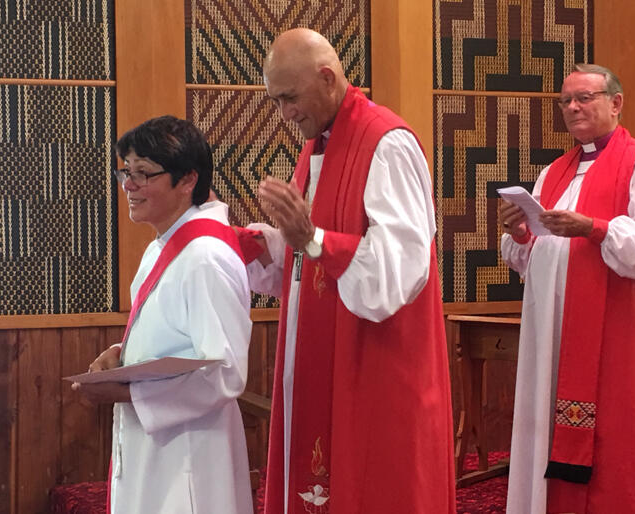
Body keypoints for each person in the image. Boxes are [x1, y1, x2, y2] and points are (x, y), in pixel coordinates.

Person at [241, 28, 455, 514]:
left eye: (290, 98)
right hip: (327, 351)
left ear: (327, 76)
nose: (285, 114)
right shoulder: (319, 145)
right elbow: (308, 268)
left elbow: (400, 268)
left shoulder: (387, 143)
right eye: (276, 101)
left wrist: (311, 240)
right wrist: (254, 245)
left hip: (377, 365)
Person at [500, 64, 635, 513]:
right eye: (566, 100)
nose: (573, 107)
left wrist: (595, 228)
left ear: (615, 103)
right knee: (546, 421)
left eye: (584, 97)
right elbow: (529, 257)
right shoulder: (554, 173)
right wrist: (520, 234)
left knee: (616, 438)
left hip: (614, 334)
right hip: (551, 332)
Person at [72, 115, 253, 514]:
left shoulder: (206, 257)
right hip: (158, 447)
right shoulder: (162, 246)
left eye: (143, 174)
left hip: (189, 454)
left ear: (188, 180)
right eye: (126, 172)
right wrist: (124, 353)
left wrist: (129, 391)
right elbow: (175, 332)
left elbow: (226, 373)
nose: (129, 186)